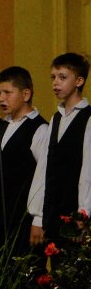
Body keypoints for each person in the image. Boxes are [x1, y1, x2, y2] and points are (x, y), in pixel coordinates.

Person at [0, 66, 47, 271]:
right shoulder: (0, 128)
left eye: (8, 93)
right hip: (1, 218)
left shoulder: (39, 129)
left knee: (26, 277)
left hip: (24, 220)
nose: (1, 99)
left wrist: (39, 218)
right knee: (2, 276)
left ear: (26, 94)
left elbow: (44, 177)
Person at [40, 52, 91, 241]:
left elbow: (87, 170)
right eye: (53, 77)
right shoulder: (56, 118)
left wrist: (83, 212)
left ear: (79, 81)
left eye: (62, 77)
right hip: (54, 210)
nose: (55, 83)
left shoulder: (88, 117)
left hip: (75, 211)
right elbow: (47, 167)